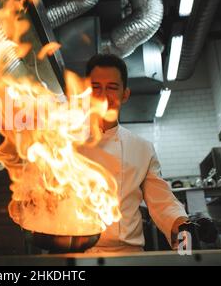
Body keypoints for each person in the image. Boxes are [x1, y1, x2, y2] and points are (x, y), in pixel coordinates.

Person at [79, 54, 189, 253]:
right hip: (77, 255)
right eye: (96, 88)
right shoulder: (64, 144)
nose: (103, 95)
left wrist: (186, 237)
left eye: (112, 87)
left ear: (125, 94)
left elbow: (163, 204)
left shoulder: (142, 148)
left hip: (128, 254)